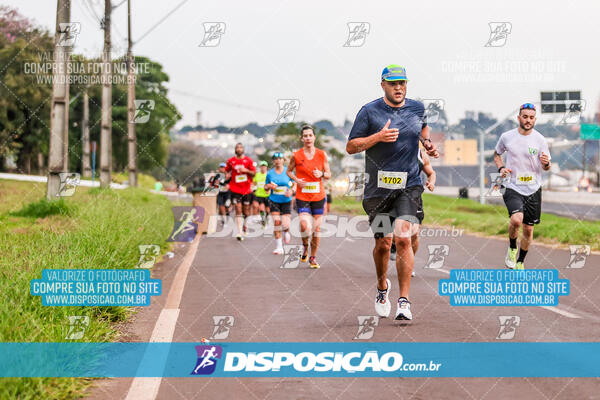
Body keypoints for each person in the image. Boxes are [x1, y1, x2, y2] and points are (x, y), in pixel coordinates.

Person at [346, 64, 438, 321]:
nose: (399, 88)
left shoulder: (417, 107)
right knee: (383, 244)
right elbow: (351, 147)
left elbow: (422, 129)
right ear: (383, 84)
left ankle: (404, 301)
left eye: (403, 83)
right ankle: (381, 285)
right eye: (393, 83)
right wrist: (378, 137)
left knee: (404, 238)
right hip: (378, 189)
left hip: (409, 185)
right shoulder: (369, 111)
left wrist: (427, 144)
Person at [494, 103, 551, 270]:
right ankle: (512, 247)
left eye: (531, 117)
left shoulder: (540, 140)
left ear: (535, 120)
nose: (528, 120)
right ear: (519, 118)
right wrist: (501, 168)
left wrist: (546, 164)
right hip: (512, 185)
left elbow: (547, 166)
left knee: (528, 229)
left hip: (533, 188)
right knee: (516, 219)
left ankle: (520, 261)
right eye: (525, 117)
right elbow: (497, 154)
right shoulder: (507, 137)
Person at [287, 125, 331, 269]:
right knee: (305, 226)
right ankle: (305, 246)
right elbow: (289, 171)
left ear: (314, 137)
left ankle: (313, 257)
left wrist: (322, 174)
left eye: (310, 135)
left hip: (318, 196)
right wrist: (296, 180)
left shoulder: (321, 154)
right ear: (302, 138)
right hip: (303, 196)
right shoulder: (296, 155)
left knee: (316, 230)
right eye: (305, 136)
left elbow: (329, 174)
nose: (308, 138)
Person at [390, 147, 436, 278]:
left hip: (413, 196)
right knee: (397, 232)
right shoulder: (393, 149)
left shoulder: (421, 154)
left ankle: (408, 264)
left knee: (414, 233)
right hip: (392, 195)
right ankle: (394, 244)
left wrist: (431, 183)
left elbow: (431, 173)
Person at [264, 152, 294, 254]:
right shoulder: (270, 173)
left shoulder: (288, 171)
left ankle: (286, 232)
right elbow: (265, 187)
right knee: (277, 223)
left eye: (280, 158)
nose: (277, 160)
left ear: (283, 160)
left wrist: (291, 191)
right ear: (273, 161)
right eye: (275, 159)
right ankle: (279, 247)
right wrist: (269, 186)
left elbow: (295, 184)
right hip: (274, 200)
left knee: (285, 224)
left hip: (286, 201)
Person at [225, 143, 256, 241]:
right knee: (238, 209)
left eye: (240, 147)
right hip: (235, 188)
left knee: (246, 211)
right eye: (237, 148)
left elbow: (254, 173)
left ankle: (245, 225)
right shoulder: (231, 161)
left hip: (246, 189)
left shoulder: (248, 161)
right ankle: (239, 232)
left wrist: (246, 170)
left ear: (243, 149)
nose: (239, 149)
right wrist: (227, 175)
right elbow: (226, 170)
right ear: (235, 150)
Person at [252, 160, 270, 226]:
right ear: (260, 167)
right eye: (262, 166)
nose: (263, 168)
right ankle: (263, 219)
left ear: (266, 167)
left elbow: (272, 183)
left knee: (268, 210)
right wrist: (253, 189)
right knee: (261, 209)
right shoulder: (257, 175)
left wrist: (269, 189)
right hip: (259, 194)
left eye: (264, 166)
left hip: (267, 195)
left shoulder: (269, 175)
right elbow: (254, 183)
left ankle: (267, 217)